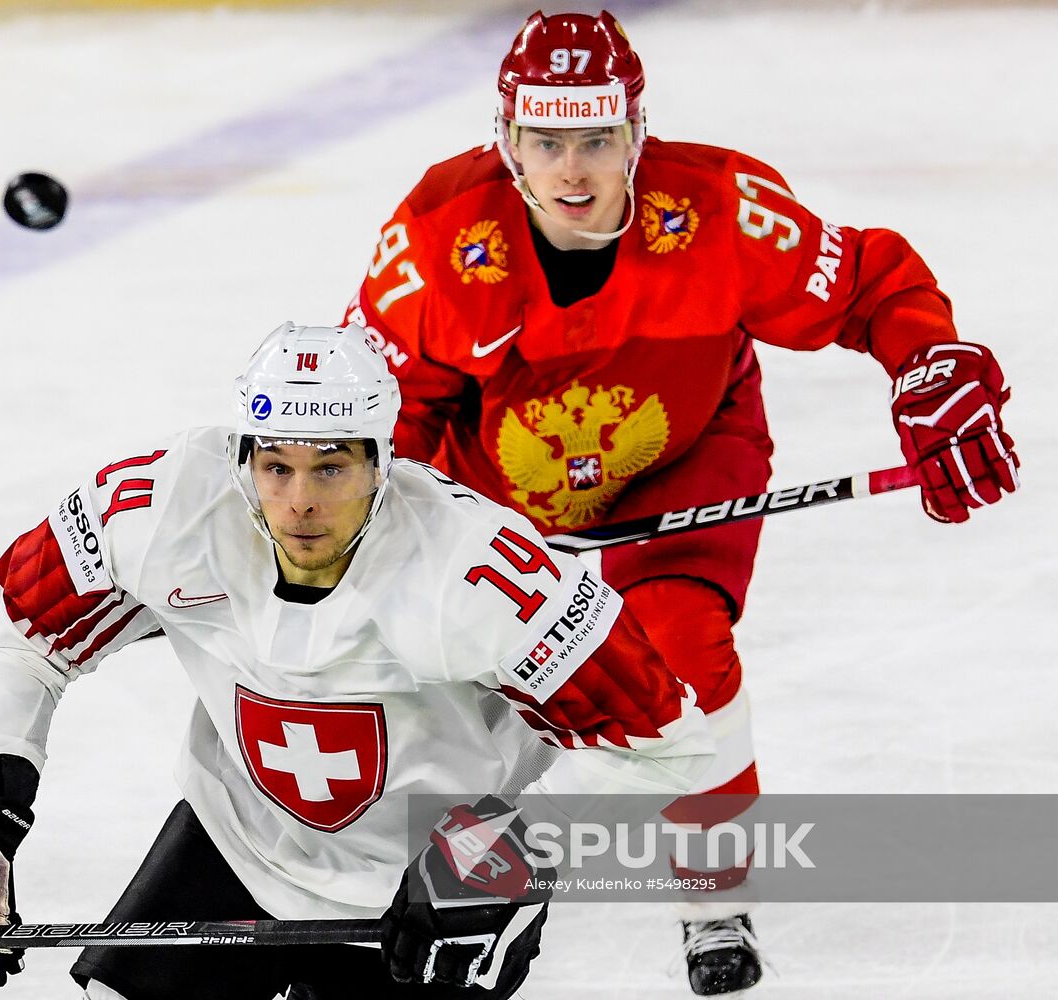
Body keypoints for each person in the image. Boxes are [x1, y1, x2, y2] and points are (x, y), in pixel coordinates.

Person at [344, 10, 1019, 996]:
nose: (573, 172)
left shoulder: (721, 211)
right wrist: (393, 544)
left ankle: (712, 889)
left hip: (685, 462)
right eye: (546, 142)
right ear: (506, 139)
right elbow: (382, 422)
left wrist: (926, 360)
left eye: (598, 140)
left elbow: (868, 280)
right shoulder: (437, 243)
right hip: (499, 500)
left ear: (637, 132)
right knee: (448, 702)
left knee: (680, 647)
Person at [0, 321, 715, 1000]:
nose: (299, 503)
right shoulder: (165, 506)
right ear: (243, 456)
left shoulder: (473, 573)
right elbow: (24, 629)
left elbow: (661, 741)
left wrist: (513, 852)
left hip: (429, 879)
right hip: (239, 836)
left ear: (381, 463)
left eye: (332, 467)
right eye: (276, 465)